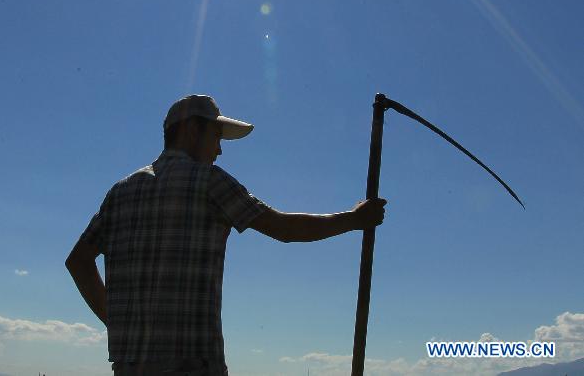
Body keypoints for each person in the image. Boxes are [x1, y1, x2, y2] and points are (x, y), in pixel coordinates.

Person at [65, 94, 387, 376]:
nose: (219, 150)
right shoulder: (208, 182)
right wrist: (354, 219)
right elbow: (285, 229)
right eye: (216, 136)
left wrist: (117, 322)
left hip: (128, 364)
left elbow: (78, 261)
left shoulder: (121, 191)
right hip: (192, 362)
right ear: (192, 130)